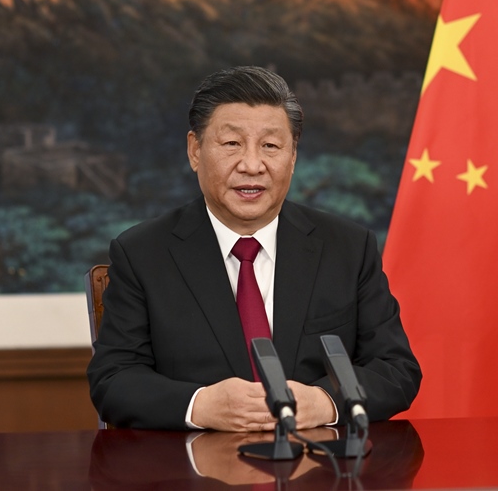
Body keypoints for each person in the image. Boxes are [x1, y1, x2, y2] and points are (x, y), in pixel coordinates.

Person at [87, 66, 420, 430]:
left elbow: (396, 369)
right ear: (195, 150)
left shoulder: (348, 248)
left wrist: (325, 402)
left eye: (270, 146)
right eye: (232, 144)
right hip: (193, 461)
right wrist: (200, 405)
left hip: (318, 459)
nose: (251, 165)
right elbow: (113, 380)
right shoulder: (142, 254)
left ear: (293, 156)